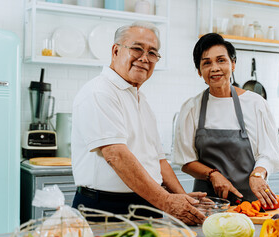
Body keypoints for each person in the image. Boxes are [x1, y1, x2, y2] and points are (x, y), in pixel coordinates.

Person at [71, 21, 206, 225]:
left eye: (153, 53)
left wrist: (184, 201)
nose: (144, 58)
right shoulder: (99, 92)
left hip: (148, 204)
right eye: (137, 48)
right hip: (106, 209)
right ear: (116, 50)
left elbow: (159, 161)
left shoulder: (141, 100)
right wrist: (167, 201)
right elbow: (115, 155)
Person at [172, 33, 279, 209]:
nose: (215, 68)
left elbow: (269, 154)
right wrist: (213, 174)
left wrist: (258, 175)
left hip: (250, 203)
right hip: (208, 205)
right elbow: (186, 162)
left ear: (233, 64)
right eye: (206, 63)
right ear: (199, 71)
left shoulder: (256, 104)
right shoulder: (191, 108)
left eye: (221, 60)